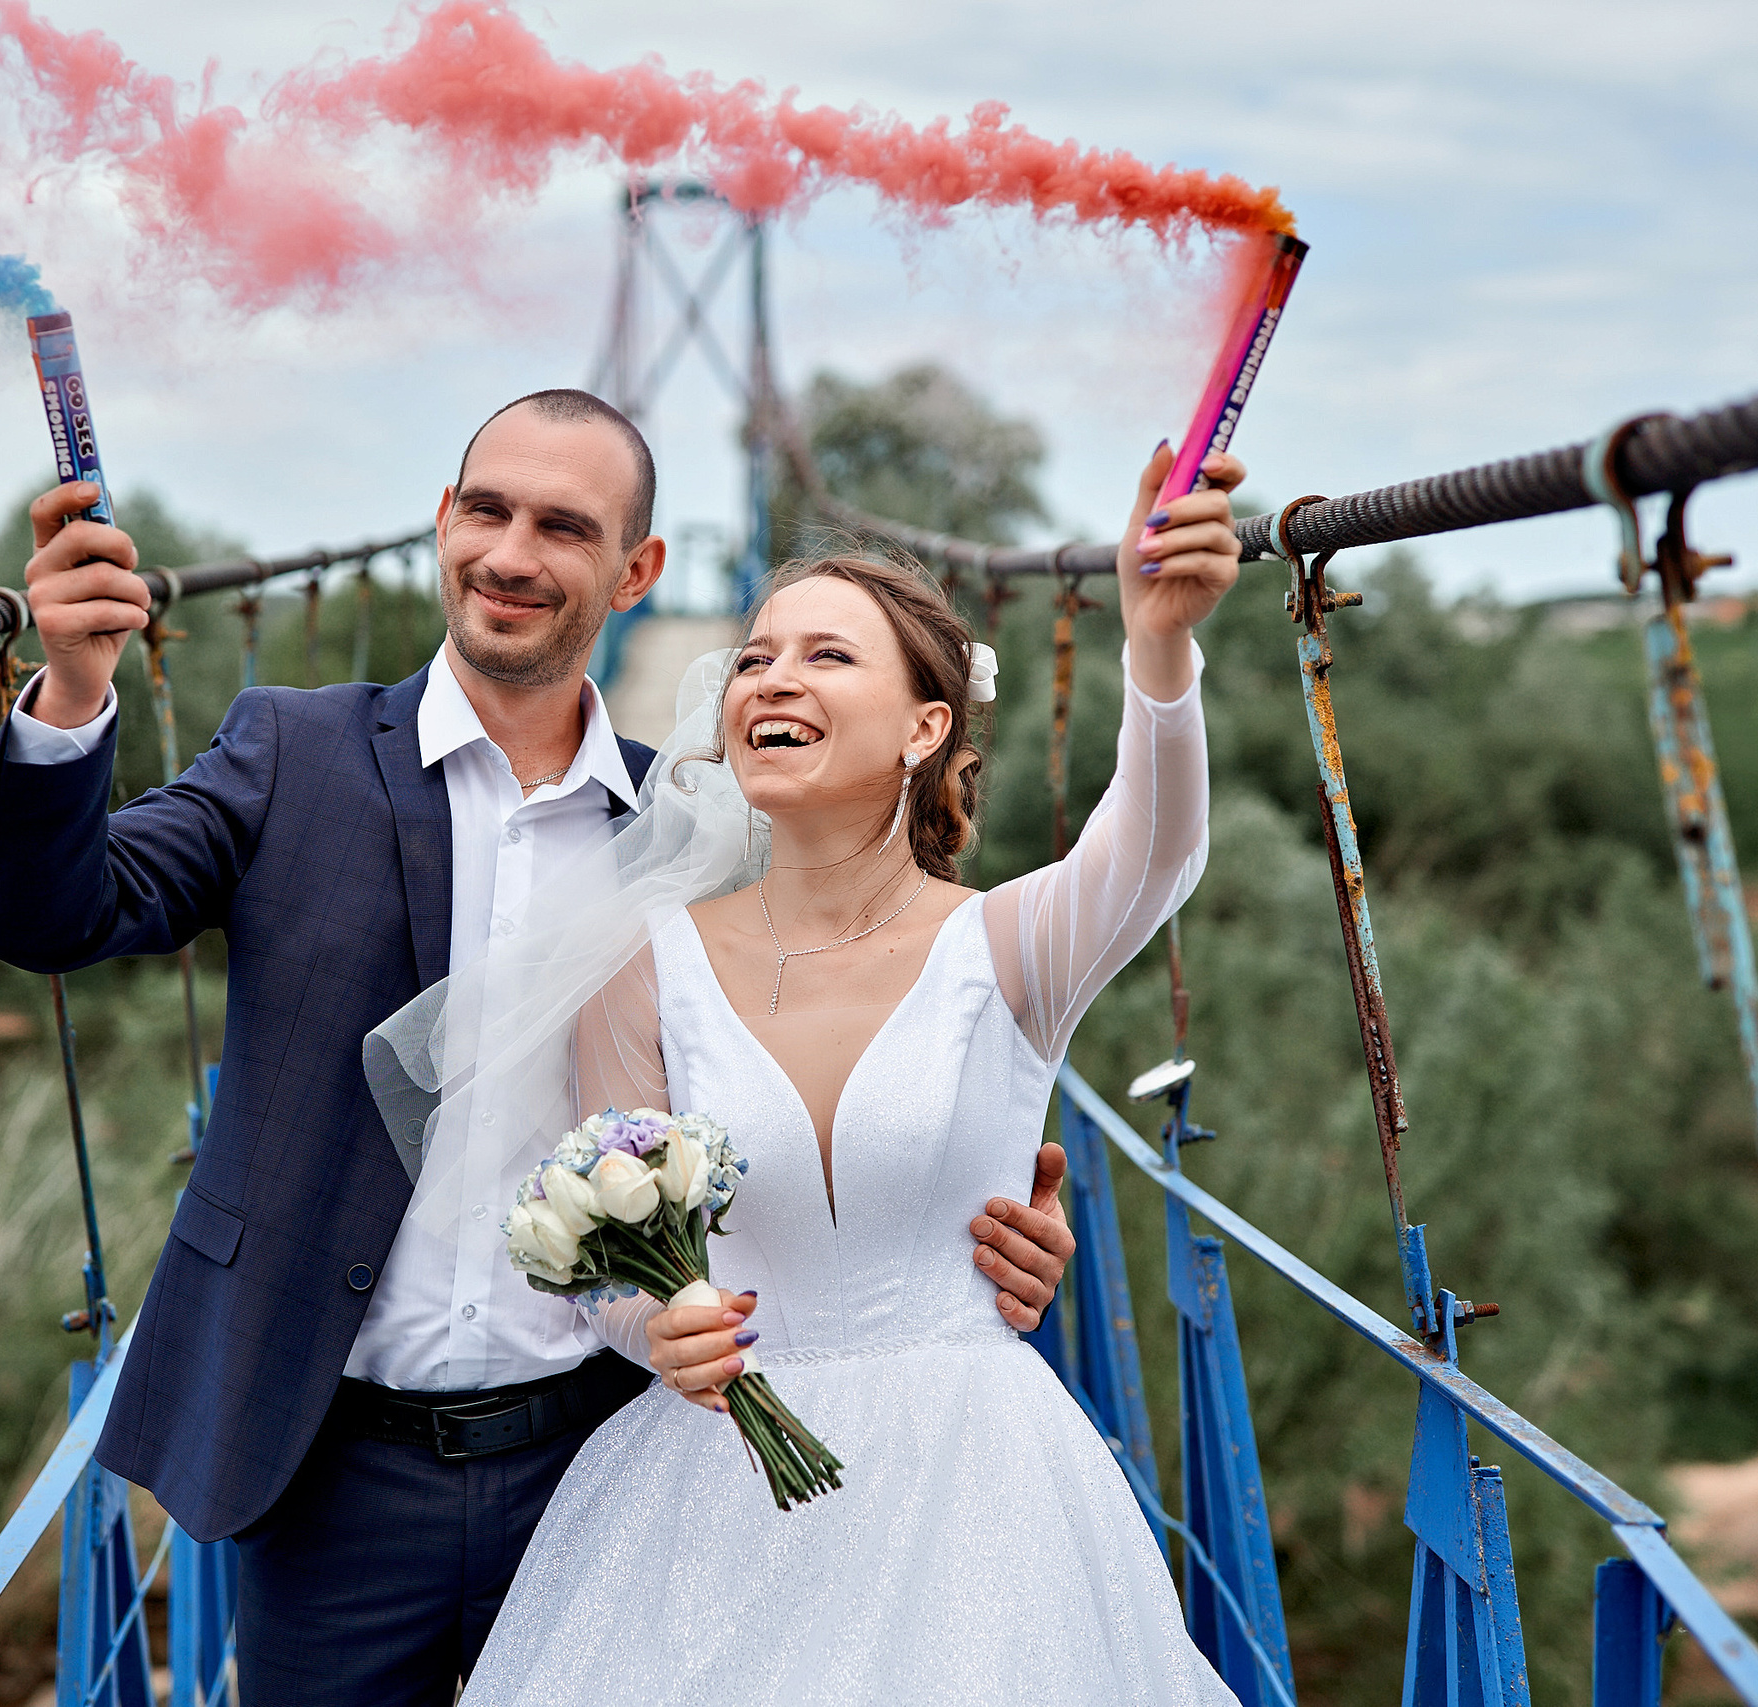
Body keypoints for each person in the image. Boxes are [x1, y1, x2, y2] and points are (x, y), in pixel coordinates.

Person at [0, 388, 1075, 1705]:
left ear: (638, 570)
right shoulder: (289, 749)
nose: (509, 552)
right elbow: (49, 916)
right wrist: (76, 686)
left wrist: (970, 1221)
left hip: (617, 1450)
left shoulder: (708, 828)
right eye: (484, 509)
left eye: (564, 525)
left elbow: (828, 1060)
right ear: (441, 520)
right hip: (328, 1464)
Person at [443, 442, 1248, 1705]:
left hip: (978, 1504)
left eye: (827, 656)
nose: (776, 677)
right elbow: (603, 1256)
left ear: (926, 727)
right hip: (710, 1496)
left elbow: (1151, 851)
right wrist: (658, 1332)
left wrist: (1157, 643)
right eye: (756, 656)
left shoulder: (1008, 946)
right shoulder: (642, 966)